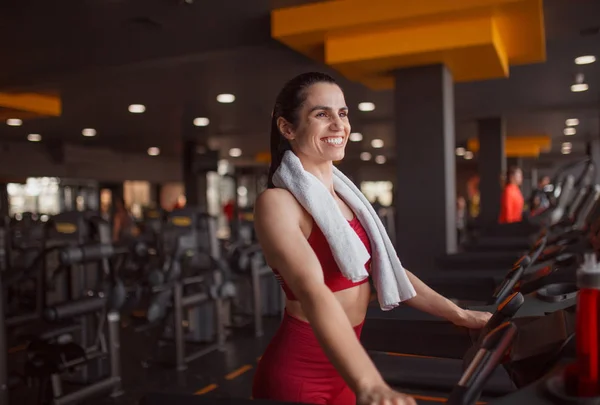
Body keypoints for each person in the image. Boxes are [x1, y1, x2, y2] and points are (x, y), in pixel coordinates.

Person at [252, 72, 492, 405]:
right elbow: (312, 291)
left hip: (346, 371)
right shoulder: (277, 203)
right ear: (287, 128)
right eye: (322, 114)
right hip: (300, 375)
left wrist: (460, 314)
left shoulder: (345, 199)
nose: (338, 124)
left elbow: (388, 270)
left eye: (343, 113)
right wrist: (370, 384)